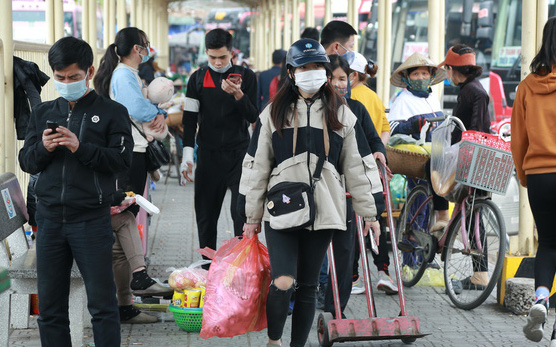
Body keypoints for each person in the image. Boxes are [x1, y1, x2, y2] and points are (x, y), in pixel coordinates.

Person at [239, 38, 383, 347]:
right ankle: (274, 340)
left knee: (306, 286)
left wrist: (370, 213)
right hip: (282, 209)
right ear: (291, 72)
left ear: (327, 72)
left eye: (318, 66)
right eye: (304, 67)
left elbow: (357, 167)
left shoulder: (342, 115)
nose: (311, 72)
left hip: (327, 211)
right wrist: (250, 217)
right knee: (283, 281)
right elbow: (256, 168)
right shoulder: (273, 113)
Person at [18, 36, 133, 346]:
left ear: (90, 72)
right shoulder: (42, 112)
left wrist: (81, 148)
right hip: (50, 222)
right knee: (51, 309)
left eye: (73, 77)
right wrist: (43, 148)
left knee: (102, 305)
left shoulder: (112, 112)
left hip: (91, 221)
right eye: (59, 77)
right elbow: (26, 161)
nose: (65, 82)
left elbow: (122, 161)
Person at [319, 55, 390, 317]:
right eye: (333, 78)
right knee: (316, 250)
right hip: (322, 188)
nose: (338, 84)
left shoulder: (357, 109)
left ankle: (335, 309)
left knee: (345, 253)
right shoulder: (317, 110)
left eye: (343, 78)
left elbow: (373, 139)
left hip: (350, 190)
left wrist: (379, 152)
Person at [180, 28, 258, 265]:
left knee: (240, 213)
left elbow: (254, 115)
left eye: (222, 57)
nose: (216, 62)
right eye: (212, 57)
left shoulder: (246, 76)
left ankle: (240, 265)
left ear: (232, 53)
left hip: (239, 155)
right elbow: (189, 119)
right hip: (208, 154)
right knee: (206, 214)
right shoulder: (197, 78)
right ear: (206, 53)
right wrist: (187, 156)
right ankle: (206, 266)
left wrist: (238, 95)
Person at [511, 17, 556, 344]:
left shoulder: (527, 85)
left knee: (549, 245)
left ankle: (540, 298)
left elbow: (518, 140)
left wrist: (526, 176)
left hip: (540, 176)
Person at [94, 27, 168, 216]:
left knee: (131, 205)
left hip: (134, 147)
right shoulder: (124, 75)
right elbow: (136, 108)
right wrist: (158, 113)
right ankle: (121, 245)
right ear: (137, 48)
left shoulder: (128, 73)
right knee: (128, 207)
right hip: (131, 150)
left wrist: (159, 113)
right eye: (146, 45)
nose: (147, 50)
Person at [436, 44, 490, 288]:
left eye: (447, 69)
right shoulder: (472, 89)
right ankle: (480, 274)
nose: (447, 74)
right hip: (474, 157)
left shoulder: (473, 92)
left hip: (471, 157)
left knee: (431, 166)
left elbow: (477, 130)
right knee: (474, 215)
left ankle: (441, 216)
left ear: (453, 69)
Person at [110, 193, 173, 324]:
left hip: (84, 209)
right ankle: (140, 276)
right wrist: (110, 197)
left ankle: (125, 308)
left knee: (120, 248)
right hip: (75, 216)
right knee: (126, 220)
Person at [388, 52, 446, 140]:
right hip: (416, 152)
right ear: (407, 78)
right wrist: (412, 126)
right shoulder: (403, 100)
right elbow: (390, 128)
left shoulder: (432, 98)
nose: (420, 78)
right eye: (415, 74)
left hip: (438, 150)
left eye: (424, 73)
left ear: (431, 76)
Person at [349, 52, 391, 146]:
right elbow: (385, 129)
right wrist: (378, 150)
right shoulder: (374, 96)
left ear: (354, 75)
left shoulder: (349, 96)